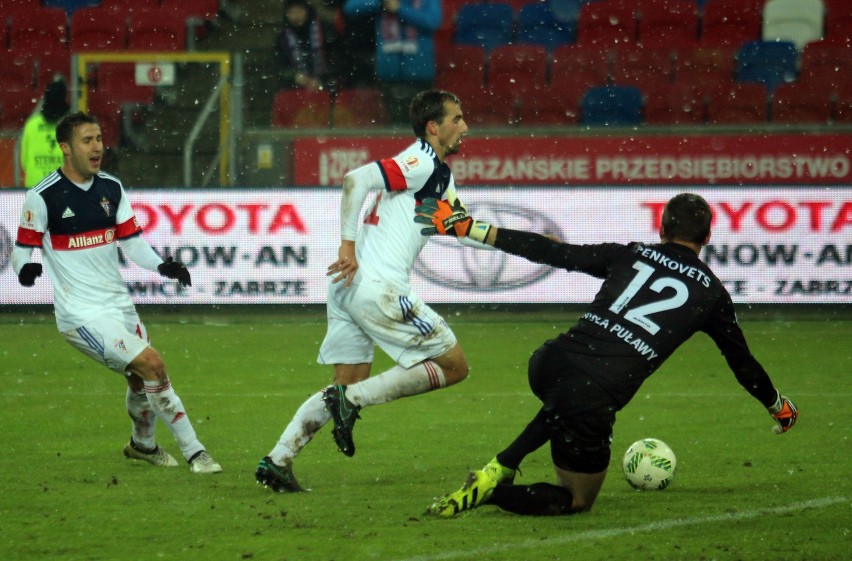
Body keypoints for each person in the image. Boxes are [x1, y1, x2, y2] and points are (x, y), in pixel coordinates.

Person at [414, 192, 799, 516]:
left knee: (568, 399)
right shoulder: (712, 294)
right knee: (578, 498)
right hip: (593, 390)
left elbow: (554, 252)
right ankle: (494, 482)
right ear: (708, 236)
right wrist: (776, 403)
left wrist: (472, 228)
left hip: (550, 362)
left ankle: (503, 466)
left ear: (662, 229)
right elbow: (741, 362)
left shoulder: (629, 254)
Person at [256, 89, 485, 492]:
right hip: (377, 287)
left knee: (344, 384)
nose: (464, 126)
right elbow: (355, 179)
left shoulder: (439, 176)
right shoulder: (420, 160)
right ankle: (354, 403)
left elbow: (465, 231)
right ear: (433, 128)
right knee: (456, 366)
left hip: (348, 289)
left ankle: (278, 460)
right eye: (457, 119)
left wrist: (529, 243)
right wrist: (347, 244)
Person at [11, 112, 222, 475]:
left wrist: (162, 266)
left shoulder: (111, 188)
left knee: (141, 381)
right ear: (65, 148)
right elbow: (21, 248)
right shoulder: (42, 196)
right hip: (81, 315)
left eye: (98, 139)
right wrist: (25, 269)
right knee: (153, 365)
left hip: (118, 305)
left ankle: (142, 446)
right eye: (87, 141)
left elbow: (132, 242)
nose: (97, 147)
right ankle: (196, 453)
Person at [342, 0, 441, 124]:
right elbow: (350, 7)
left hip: (419, 74)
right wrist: (382, 3)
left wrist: (399, 9)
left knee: (422, 126)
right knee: (395, 129)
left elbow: (433, 21)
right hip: (390, 74)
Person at [274, 0, 341, 91]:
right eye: (291, 12)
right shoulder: (282, 39)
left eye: (299, 11)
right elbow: (278, 66)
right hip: (295, 91)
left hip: (329, 88)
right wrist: (295, 76)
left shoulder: (326, 30)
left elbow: (338, 59)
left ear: (307, 10)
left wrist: (322, 80)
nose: (296, 16)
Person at [20, 78, 70, 188]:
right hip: (63, 189)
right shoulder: (71, 125)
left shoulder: (31, 125)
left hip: (35, 188)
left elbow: (24, 161)